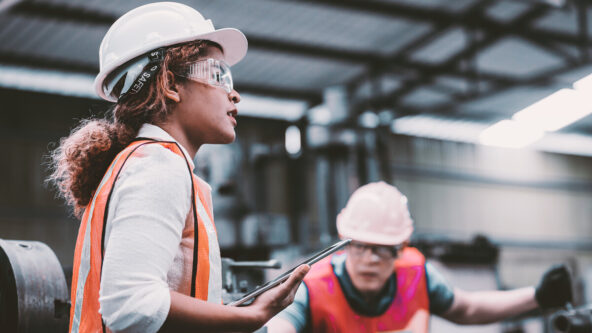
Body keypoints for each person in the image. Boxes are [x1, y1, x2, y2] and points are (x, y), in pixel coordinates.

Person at [48, 3, 308, 333]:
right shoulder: (158, 166)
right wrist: (249, 318)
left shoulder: (144, 163)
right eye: (218, 75)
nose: (235, 94)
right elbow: (131, 304)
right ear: (171, 84)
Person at [266, 181, 573, 332]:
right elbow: (282, 325)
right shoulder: (313, 287)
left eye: (383, 249)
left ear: (400, 248)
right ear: (345, 243)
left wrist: (539, 296)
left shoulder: (416, 276)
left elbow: (467, 308)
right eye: (360, 245)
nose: (371, 258)